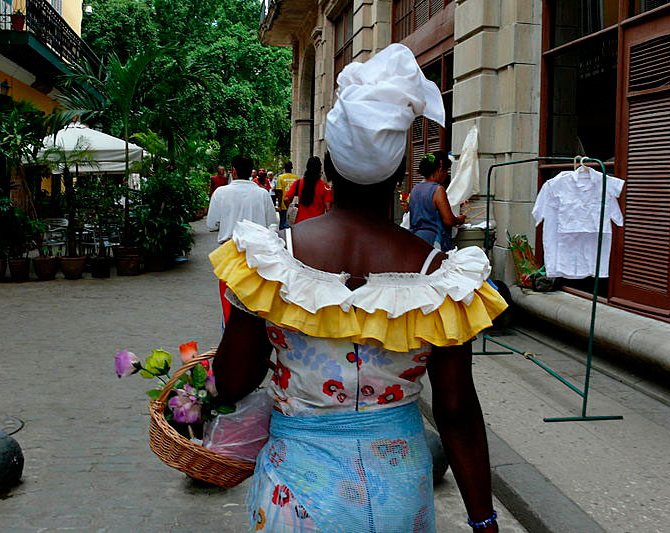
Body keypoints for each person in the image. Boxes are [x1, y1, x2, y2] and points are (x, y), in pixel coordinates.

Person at [209, 44, 504, 532]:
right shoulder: (441, 277)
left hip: (296, 496)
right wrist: (484, 520)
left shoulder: (271, 260)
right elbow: (456, 411)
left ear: (328, 166)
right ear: (398, 172)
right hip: (399, 495)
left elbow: (233, 379)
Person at [206, 154, 278, 325]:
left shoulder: (221, 193)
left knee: (229, 305)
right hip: (257, 256)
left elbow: (211, 224)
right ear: (251, 171)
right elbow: (272, 226)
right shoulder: (262, 194)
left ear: (233, 171)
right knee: (254, 305)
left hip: (229, 254)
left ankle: (230, 336)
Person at [409, 151, 465, 251]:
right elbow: (448, 220)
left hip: (414, 239)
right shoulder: (438, 190)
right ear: (439, 170)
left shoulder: (415, 189)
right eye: (445, 171)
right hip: (433, 241)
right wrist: (459, 219)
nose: (446, 174)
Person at [283, 156, 333, 224]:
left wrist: (291, 208)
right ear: (320, 169)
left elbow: (286, 199)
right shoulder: (325, 187)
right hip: (317, 224)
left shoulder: (297, 183)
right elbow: (328, 208)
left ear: (307, 168)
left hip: (299, 223)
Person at [276, 161, 300, 228]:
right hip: (293, 205)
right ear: (292, 167)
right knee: (293, 225)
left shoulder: (280, 177)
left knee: (282, 224)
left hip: (284, 205)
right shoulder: (297, 178)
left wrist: (280, 205)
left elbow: (279, 192)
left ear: (284, 168)